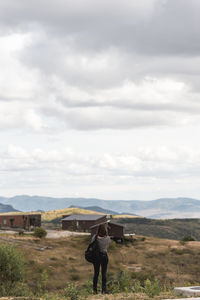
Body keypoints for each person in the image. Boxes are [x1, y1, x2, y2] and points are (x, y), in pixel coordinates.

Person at [91, 223, 111, 294]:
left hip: (96, 257)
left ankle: (95, 291)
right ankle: (104, 290)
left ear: (98, 230)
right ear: (105, 230)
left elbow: (92, 244)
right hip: (104, 256)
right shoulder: (108, 238)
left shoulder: (94, 237)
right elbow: (107, 247)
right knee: (104, 274)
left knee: (96, 274)